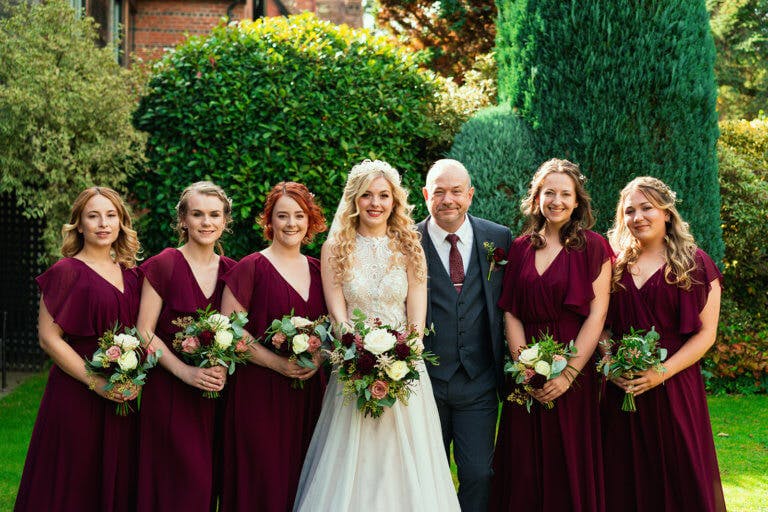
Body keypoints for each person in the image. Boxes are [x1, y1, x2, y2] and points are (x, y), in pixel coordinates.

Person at [294, 160, 460, 511]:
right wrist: (360, 355)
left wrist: (401, 357)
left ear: (394, 201)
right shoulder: (334, 248)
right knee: (355, 458)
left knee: (405, 460)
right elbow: (338, 314)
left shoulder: (410, 247)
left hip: (404, 368)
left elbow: (417, 315)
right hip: (353, 366)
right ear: (354, 200)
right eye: (367, 195)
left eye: (384, 195)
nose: (375, 203)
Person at [489, 159, 611, 512]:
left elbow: (597, 314)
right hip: (525, 369)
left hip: (575, 367)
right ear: (537, 198)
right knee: (523, 462)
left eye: (565, 194)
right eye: (549, 192)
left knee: (568, 457)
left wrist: (569, 372)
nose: (556, 200)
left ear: (577, 202)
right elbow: (510, 310)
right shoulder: (521, 247)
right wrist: (524, 364)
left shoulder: (594, 247)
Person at [601, 177, 726, 512]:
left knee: (681, 472)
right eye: (629, 211)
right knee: (622, 477)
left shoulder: (696, 264)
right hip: (622, 389)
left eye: (647, 208)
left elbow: (706, 334)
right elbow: (600, 326)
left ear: (667, 213)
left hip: (675, 386)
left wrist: (661, 372)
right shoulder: (613, 266)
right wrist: (610, 362)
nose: (637, 217)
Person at [15, 187, 142, 512]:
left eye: (111, 215)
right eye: (93, 216)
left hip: (124, 395)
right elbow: (49, 338)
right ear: (79, 225)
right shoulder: (65, 271)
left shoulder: (134, 274)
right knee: (73, 483)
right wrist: (97, 383)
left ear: (121, 222)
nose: (103, 223)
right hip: (76, 395)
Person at [219, 182, 328, 512]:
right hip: (259, 393)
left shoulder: (320, 271)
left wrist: (319, 358)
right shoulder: (250, 267)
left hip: (310, 392)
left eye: (299, 215)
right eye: (282, 216)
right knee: (264, 480)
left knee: (306, 480)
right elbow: (231, 331)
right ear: (269, 221)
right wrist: (277, 364)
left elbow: (334, 328)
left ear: (310, 220)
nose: (291, 224)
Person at [417, 159, 512, 511]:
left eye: (456, 191)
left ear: (470, 195)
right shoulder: (407, 241)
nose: (448, 199)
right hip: (425, 381)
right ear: (426, 195)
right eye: (438, 191)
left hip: (479, 381)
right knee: (429, 474)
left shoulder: (498, 238)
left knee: (478, 473)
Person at [135, 182, 237, 511]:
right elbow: (144, 331)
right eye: (197, 214)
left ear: (225, 221)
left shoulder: (233, 272)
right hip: (169, 393)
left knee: (206, 484)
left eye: (214, 215)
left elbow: (235, 333)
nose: (206, 223)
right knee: (173, 483)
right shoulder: (164, 264)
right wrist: (186, 373)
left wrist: (220, 367)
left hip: (214, 397)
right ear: (183, 220)